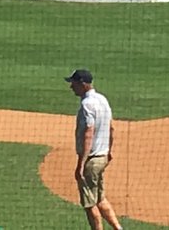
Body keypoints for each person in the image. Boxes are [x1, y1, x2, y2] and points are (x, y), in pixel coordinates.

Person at [66, 69, 124, 230]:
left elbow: (88, 134)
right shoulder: (102, 99)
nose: (72, 87)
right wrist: (109, 150)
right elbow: (111, 128)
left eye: (74, 83)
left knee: (89, 204)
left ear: (83, 84)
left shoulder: (87, 105)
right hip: (102, 156)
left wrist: (81, 164)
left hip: (91, 160)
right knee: (99, 198)